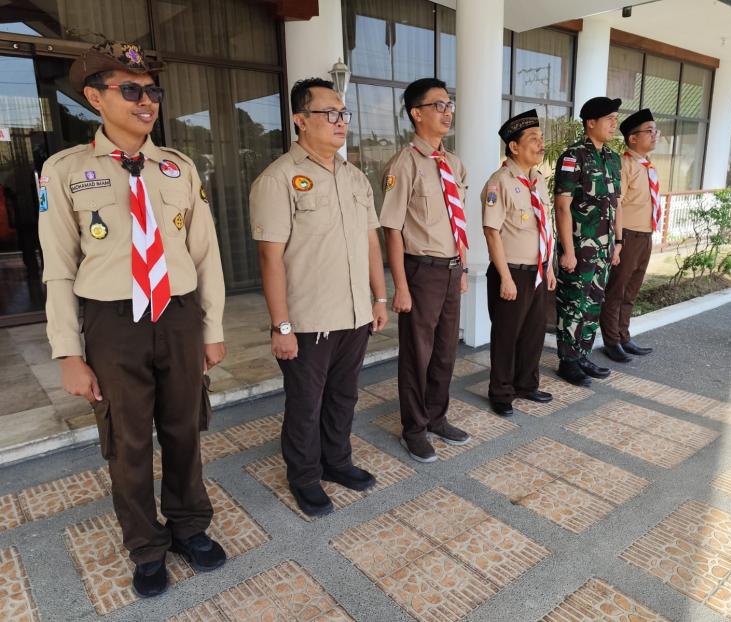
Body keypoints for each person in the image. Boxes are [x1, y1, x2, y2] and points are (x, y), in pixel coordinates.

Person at [38, 41, 227, 598]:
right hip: (112, 322)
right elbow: (58, 269)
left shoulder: (179, 167)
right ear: (95, 97)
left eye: (152, 91)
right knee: (127, 441)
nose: (146, 102)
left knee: (185, 430)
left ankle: (190, 526)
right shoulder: (65, 171)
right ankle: (146, 546)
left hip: (178, 315)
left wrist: (212, 329)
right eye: (130, 90)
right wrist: (68, 353)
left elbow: (205, 254)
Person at [250, 78, 388, 517]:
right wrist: (281, 325)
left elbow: (370, 242)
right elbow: (271, 260)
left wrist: (379, 299)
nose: (340, 121)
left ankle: (337, 462)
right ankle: (304, 476)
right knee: (306, 405)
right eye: (329, 113)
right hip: (308, 320)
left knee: (344, 396)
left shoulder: (354, 177)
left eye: (343, 113)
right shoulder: (278, 179)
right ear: (300, 119)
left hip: (354, 314)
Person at [380, 77, 471, 463]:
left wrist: (463, 268)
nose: (447, 112)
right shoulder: (403, 164)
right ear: (416, 114)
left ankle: (437, 416)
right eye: (438, 105)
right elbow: (392, 228)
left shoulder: (453, 164)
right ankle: (413, 429)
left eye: (449, 104)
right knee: (417, 354)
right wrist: (400, 285)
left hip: (450, 269)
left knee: (446, 351)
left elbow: (457, 220)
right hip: (421, 271)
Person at [481, 109, 556, 416]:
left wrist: (549, 267)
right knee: (506, 336)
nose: (540, 145)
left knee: (533, 333)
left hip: (538, 270)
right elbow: (491, 231)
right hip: (510, 271)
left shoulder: (537, 180)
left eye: (541, 139)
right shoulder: (499, 182)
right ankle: (500, 392)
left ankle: (526, 384)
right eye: (533, 139)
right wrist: (505, 278)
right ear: (513, 146)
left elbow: (544, 226)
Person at [553, 96, 622, 387]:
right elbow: (562, 205)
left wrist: (617, 243)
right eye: (609, 119)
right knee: (573, 304)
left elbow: (616, 203)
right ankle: (567, 361)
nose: (613, 124)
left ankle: (582, 354)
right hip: (580, 247)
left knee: (593, 302)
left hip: (604, 248)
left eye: (615, 119)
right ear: (590, 122)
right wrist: (568, 250)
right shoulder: (573, 157)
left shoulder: (612, 158)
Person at [600, 108, 659, 363]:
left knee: (631, 290)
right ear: (633, 138)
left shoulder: (648, 166)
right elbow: (617, 204)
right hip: (629, 236)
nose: (654, 135)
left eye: (656, 131)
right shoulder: (624, 165)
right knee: (617, 290)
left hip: (645, 236)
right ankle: (611, 341)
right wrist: (619, 240)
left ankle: (624, 336)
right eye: (649, 131)